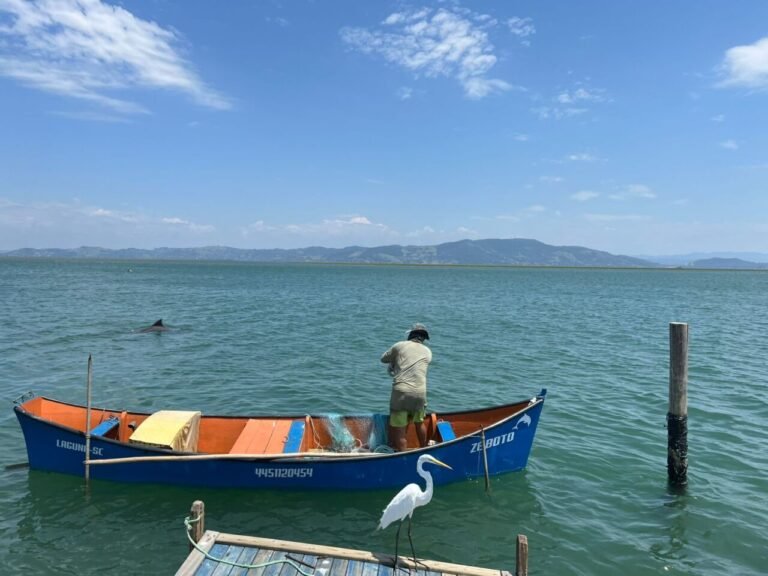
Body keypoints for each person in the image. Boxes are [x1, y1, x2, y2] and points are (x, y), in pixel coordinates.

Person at [381, 323, 432, 451]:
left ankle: (403, 457)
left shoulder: (399, 345)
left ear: (410, 335)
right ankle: (424, 448)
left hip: (401, 393)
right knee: (419, 423)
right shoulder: (428, 352)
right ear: (423, 339)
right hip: (420, 393)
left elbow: (383, 359)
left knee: (400, 429)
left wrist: (394, 362)